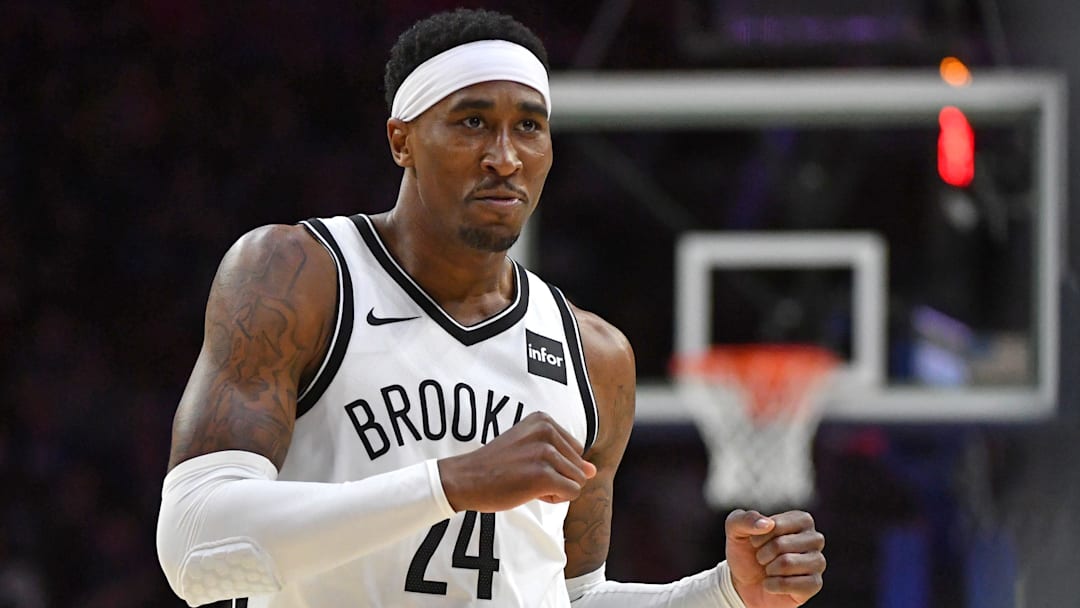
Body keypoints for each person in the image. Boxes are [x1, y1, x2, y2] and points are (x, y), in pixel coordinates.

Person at [155, 8, 826, 607]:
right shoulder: (299, 275)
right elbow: (193, 548)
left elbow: (571, 598)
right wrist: (449, 483)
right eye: (473, 121)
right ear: (402, 140)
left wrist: (724, 595)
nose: (505, 157)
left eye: (528, 127)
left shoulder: (593, 355)